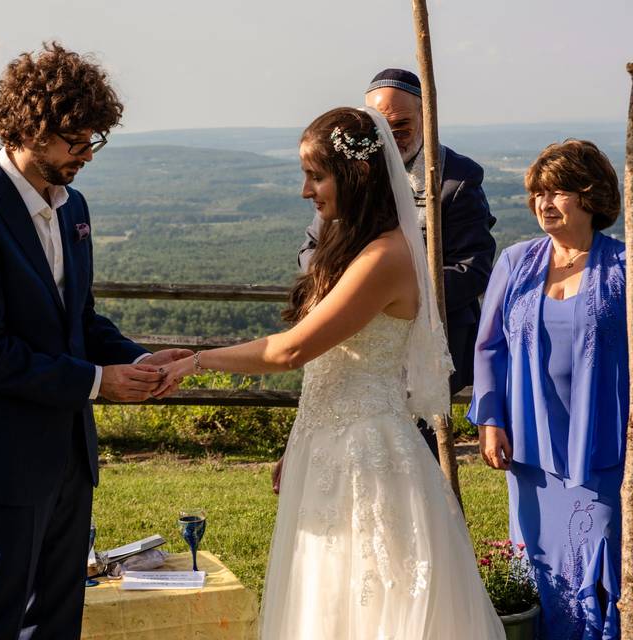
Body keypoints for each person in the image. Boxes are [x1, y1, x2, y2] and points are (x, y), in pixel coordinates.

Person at [155, 107, 504, 639]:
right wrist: (296, 441)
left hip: (368, 459)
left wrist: (196, 360)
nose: (304, 191)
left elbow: (291, 352)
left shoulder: (387, 257)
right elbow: (327, 368)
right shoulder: (349, 245)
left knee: (368, 599)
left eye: (316, 176)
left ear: (357, 175)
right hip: (325, 447)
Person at [0, 43, 189, 640]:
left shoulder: (74, 208)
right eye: (77, 141)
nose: (88, 155)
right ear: (32, 128)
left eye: (95, 140)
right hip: (3, 453)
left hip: (70, 453)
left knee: (58, 616)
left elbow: (81, 322)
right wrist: (99, 383)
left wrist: (136, 359)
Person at [276, 69, 496, 479]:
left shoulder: (456, 179)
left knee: (413, 454)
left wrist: (395, 295)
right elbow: (311, 248)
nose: (393, 134)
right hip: (354, 339)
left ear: (425, 116)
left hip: (426, 338)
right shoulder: (349, 177)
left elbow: (473, 264)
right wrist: (349, 289)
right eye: (381, 125)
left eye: (402, 124)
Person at [468, 139, 626, 639]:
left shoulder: (623, 268)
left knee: (594, 556)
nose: (544, 202)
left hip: (597, 444)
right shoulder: (516, 263)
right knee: (536, 568)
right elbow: (488, 346)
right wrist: (491, 418)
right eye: (538, 192)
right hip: (529, 444)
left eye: (558, 191)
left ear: (592, 196)